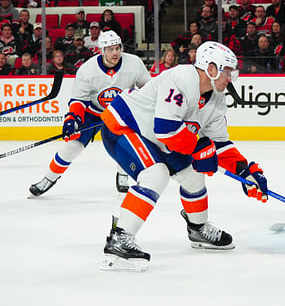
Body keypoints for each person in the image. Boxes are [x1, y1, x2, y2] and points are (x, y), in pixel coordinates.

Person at [98, 42, 269, 271]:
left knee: (194, 175)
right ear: (211, 68)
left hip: (157, 139)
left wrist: (245, 171)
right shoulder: (180, 79)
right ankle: (119, 240)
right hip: (124, 127)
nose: (230, 78)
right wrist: (199, 148)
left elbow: (219, 144)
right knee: (155, 174)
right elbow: (166, 129)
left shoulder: (216, 99)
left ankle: (198, 230)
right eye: (227, 71)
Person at [29, 31, 150, 198]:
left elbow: (147, 88)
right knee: (73, 146)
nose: (115, 53)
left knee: (126, 145)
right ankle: (49, 178)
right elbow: (79, 99)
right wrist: (72, 118)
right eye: (110, 49)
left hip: (120, 112)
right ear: (101, 50)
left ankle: (122, 174)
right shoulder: (87, 70)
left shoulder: (134, 63)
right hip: (93, 112)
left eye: (117, 48)